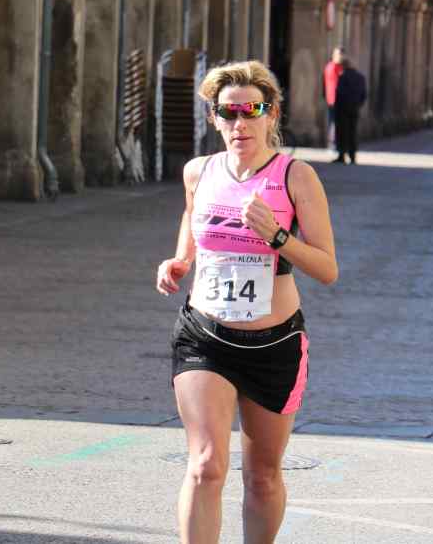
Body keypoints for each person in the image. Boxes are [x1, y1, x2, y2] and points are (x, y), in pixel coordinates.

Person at [156, 60, 338, 543]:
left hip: (274, 345)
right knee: (205, 465)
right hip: (204, 335)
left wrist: (277, 236)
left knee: (261, 477)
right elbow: (192, 221)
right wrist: (178, 261)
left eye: (251, 111)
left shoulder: (296, 177)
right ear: (214, 118)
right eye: (228, 113)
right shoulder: (199, 171)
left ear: (271, 114)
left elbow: (326, 268)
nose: (240, 124)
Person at [334, 59, 367, 164]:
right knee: (352, 133)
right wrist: (358, 105)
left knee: (342, 132)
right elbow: (364, 94)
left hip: (343, 109)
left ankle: (342, 155)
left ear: (343, 66)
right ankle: (352, 156)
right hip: (354, 108)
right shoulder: (360, 77)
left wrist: (337, 107)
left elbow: (339, 93)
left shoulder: (342, 77)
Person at [322, 47, 344, 149]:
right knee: (334, 122)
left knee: (334, 121)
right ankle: (332, 143)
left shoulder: (335, 66)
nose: (340, 57)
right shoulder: (333, 67)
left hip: (334, 99)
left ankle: (333, 143)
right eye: (339, 54)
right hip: (334, 99)